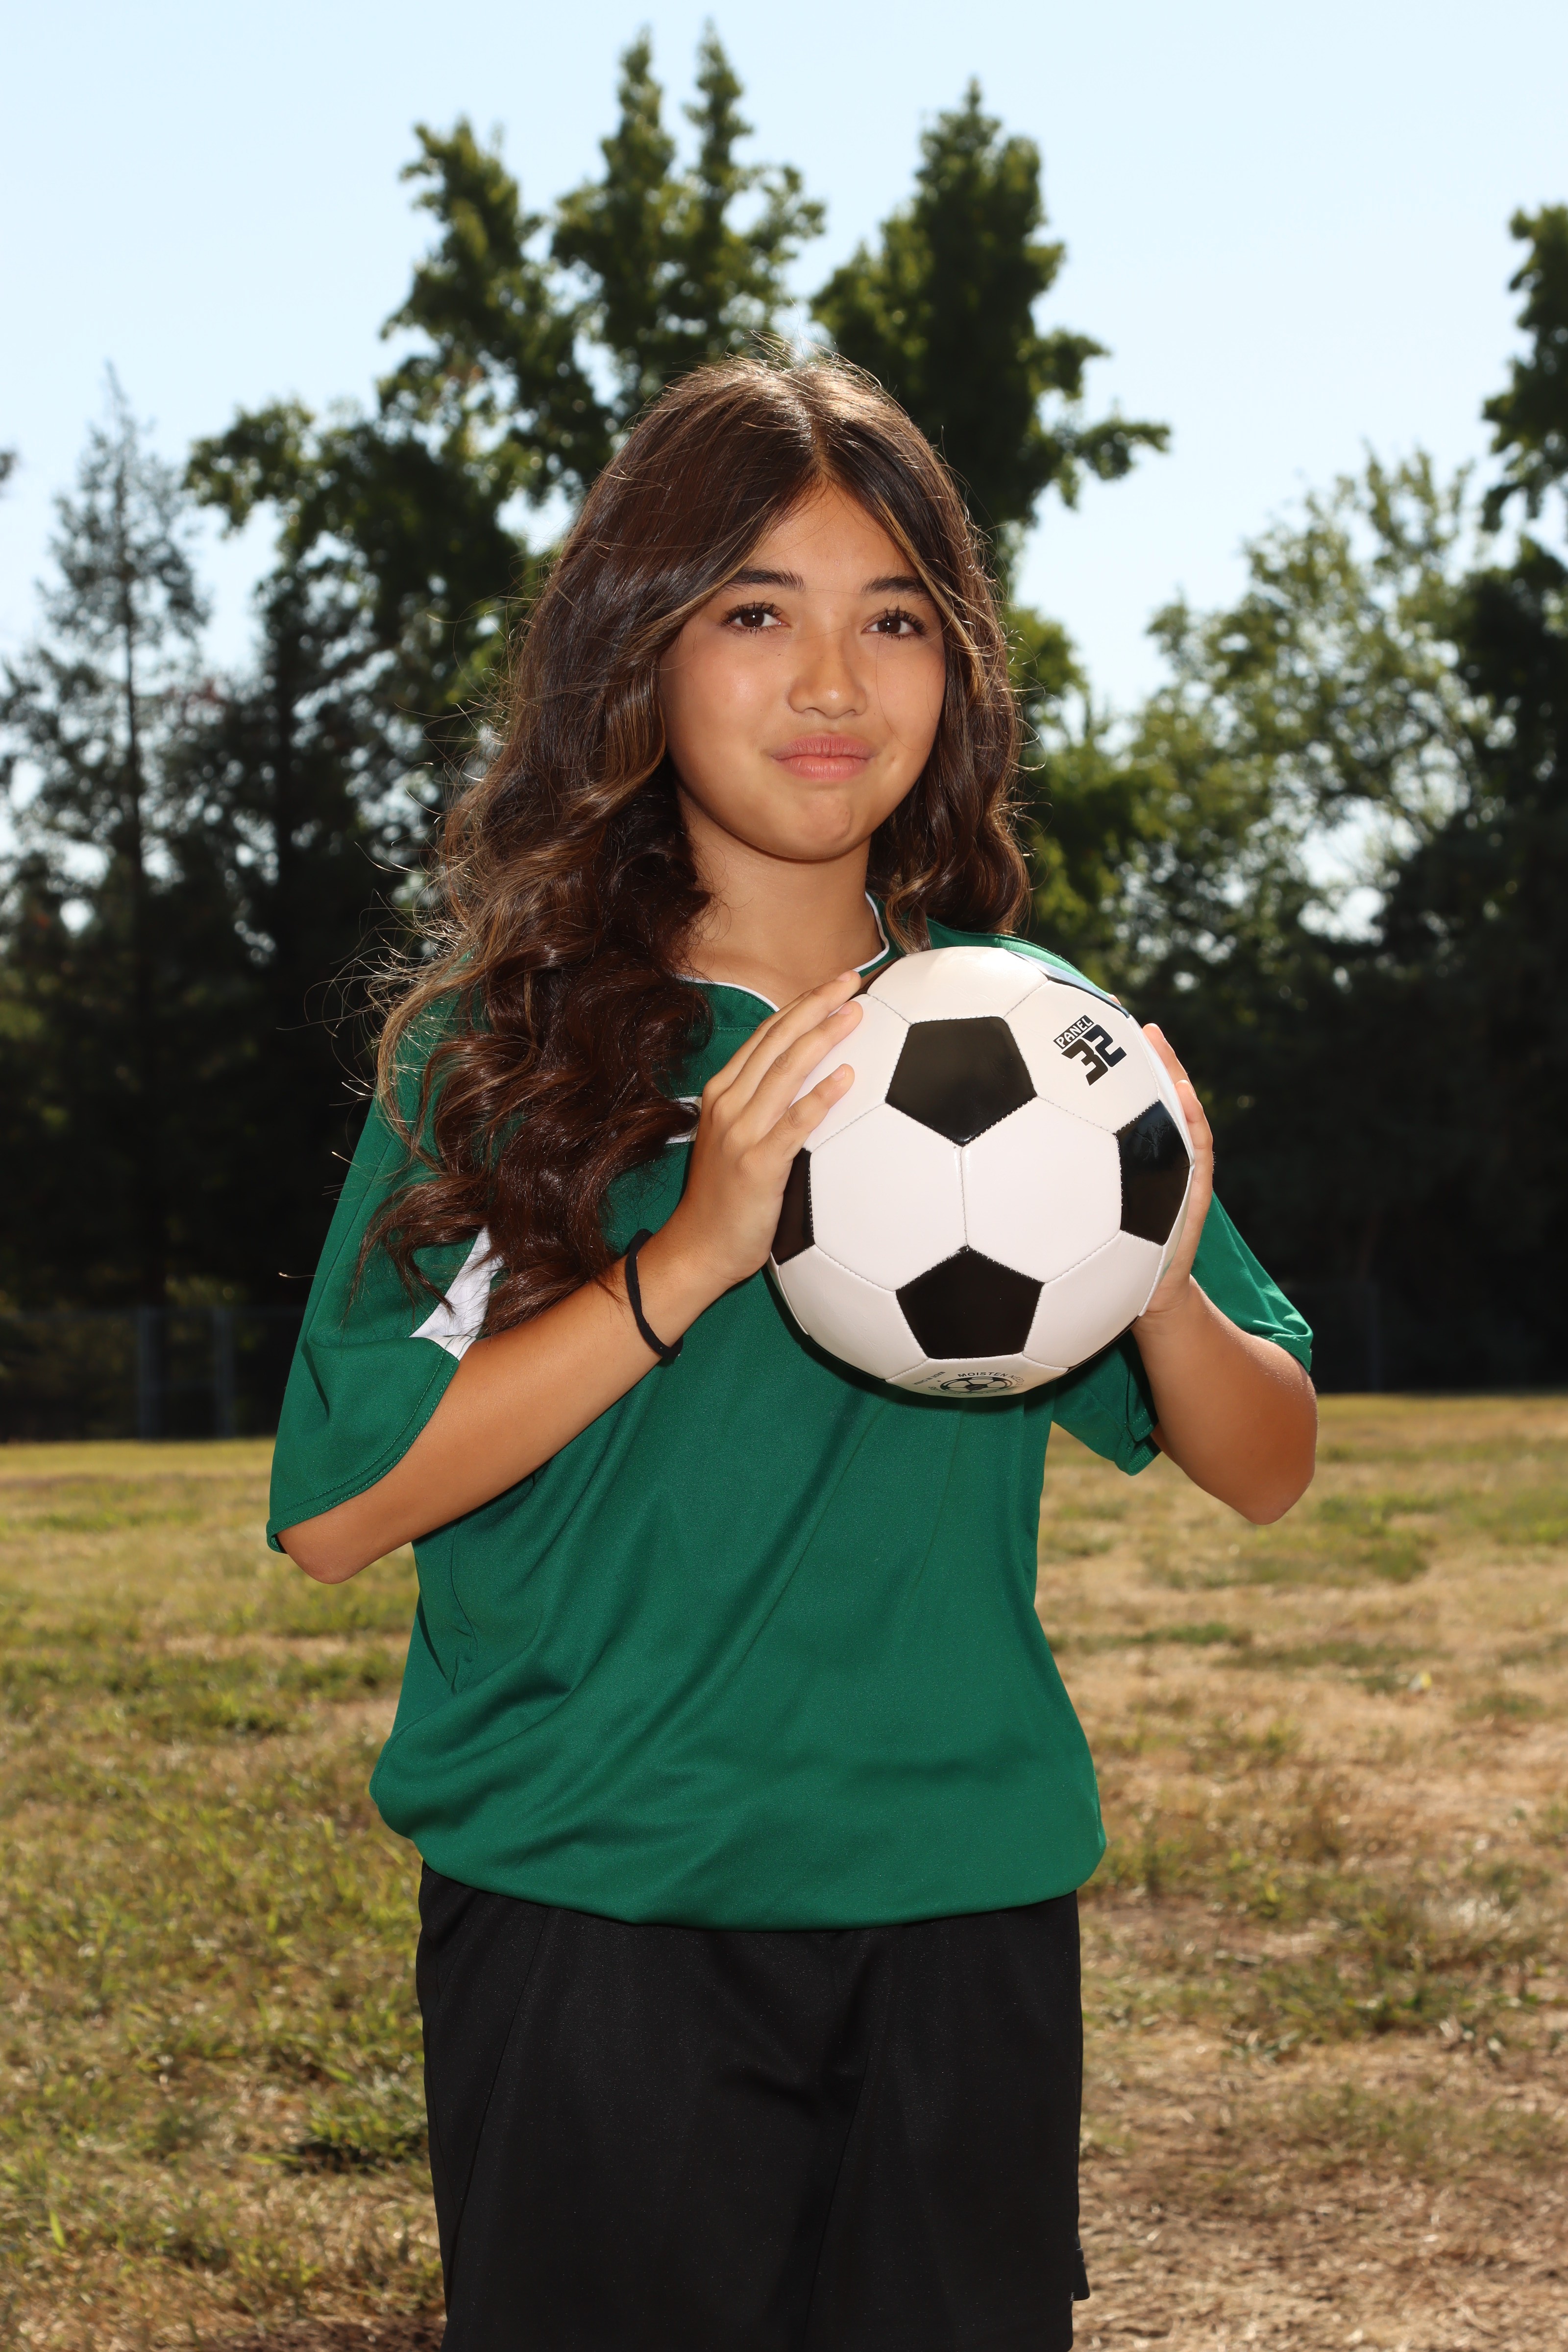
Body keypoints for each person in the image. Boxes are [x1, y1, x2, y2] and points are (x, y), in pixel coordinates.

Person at [269, 356, 1316, 2352]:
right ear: (639, 651)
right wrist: (695, 1255)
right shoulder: (509, 1057)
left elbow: (1267, 1463)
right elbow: (340, 1509)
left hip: (959, 1906)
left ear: (956, 674)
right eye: (756, 611)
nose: (832, 680)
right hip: (601, 1907)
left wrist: (1157, 1264)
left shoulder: (1034, 1048)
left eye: (893, 620)